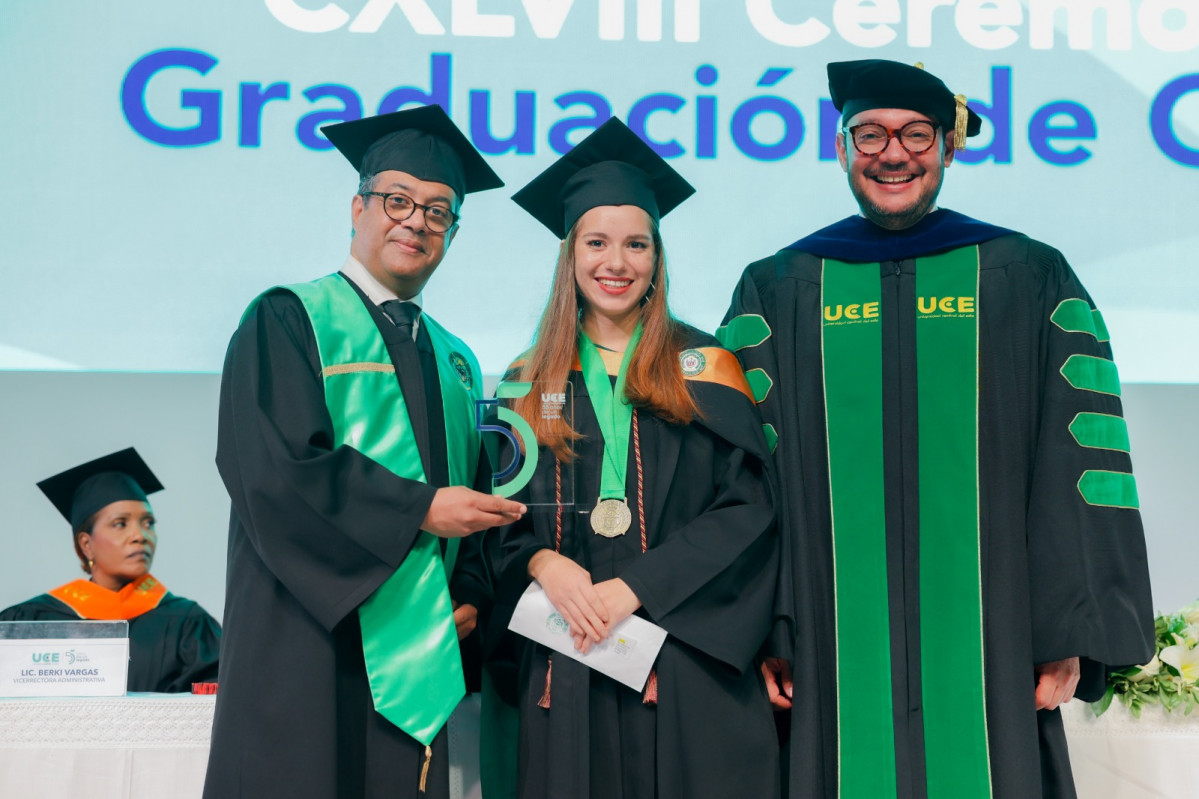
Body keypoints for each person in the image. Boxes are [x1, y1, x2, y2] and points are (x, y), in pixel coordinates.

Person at [721, 59, 1155, 799]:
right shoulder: (781, 287)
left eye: (915, 134)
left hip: (995, 639)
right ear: (841, 148)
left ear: (949, 146)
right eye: (870, 134)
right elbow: (746, 478)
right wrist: (767, 627)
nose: (892, 154)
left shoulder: (1027, 277)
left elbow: (1076, 458)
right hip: (827, 639)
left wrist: (1067, 631)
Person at [202, 104, 526, 799]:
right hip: (307, 636)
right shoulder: (288, 318)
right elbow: (274, 472)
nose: (416, 222)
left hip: (418, 644)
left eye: (438, 212)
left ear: (452, 234)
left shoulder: (457, 360)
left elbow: (473, 496)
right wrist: (418, 509)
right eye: (397, 200)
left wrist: (469, 592)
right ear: (358, 208)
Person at [485, 118, 780, 799]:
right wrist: (542, 562)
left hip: (686, 662)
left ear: (656, 257)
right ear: (570, 255)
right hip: (569, 652)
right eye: (596, 242)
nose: (615, 262)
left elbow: (749, 510)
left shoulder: (704, 367)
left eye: (635, 244)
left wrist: (637, 586)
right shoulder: (526, 381)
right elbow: (498, 519)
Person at [0, 447, 220, 693]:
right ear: (86, 545)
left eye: (148, 523)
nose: (140, 535)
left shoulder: (188, 624)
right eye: (120, 524)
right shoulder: (30, 620)